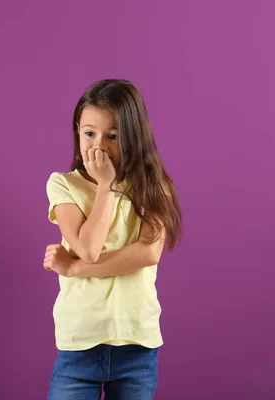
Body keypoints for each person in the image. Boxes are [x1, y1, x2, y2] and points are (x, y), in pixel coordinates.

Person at [43, 79, 182, 400]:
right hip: (80, 342)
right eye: (89, 133)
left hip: (136, 343)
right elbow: (88, 249)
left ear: (133, 136)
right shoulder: (63, 185)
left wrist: (74, 269)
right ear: (77, 130)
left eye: (113, 136)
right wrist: (106, 186)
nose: (99, 145)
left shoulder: (153, 186)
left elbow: (148, 254)